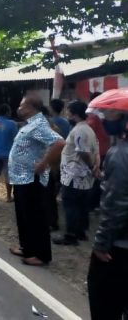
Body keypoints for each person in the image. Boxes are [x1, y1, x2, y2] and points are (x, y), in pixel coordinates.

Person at [8, 94, 65, 266]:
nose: (19, 108)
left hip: (31, 179)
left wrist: (43, 163)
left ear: (30, 107)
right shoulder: (31, 124)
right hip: (21, 178)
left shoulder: (39, 124)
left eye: (21, 105)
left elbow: (59, 143)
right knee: (24, 216)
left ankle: (40, 255)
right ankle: (27, 247)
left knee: (35, 217)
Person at [87, 109, 128, 319]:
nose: (106, 120)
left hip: (118, 250)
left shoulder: (120, 152)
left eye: (113, 116)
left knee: (105, 305)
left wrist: (102, 244)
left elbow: (117, 205)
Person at [53, 101, 99, 246]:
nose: (67, 113)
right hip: (82, 175)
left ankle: (71, 235)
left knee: (71, 205)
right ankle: (80, 231)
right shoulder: (88, 129)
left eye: (69, 111)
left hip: (75, 173)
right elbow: (94, 150)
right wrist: (95, 166)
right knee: (81, 205)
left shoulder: (79, 130)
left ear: (74, 113)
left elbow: (82, 151)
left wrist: (92, 165)